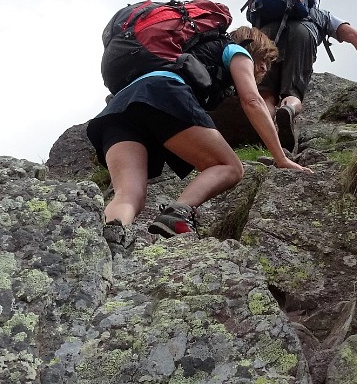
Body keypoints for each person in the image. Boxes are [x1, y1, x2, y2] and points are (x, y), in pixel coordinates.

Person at [87, 25, 310, 251]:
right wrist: (280, 158)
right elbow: (252, 100)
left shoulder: (193, 54)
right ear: (252, 48)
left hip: (121, 106)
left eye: (269, 64)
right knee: (230, 167)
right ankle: (178, 213)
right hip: (163, 93)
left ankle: (104, 248)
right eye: (263, 58)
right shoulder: (237, 50)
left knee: (129, 195)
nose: (264, 67)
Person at [252, 0, 357, 152]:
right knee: (292, 92)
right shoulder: (321, 14)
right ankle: (289, 109)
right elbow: (355, 36)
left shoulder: (269, 13)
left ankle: (267, 136)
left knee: (267, 95)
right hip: (302, 35)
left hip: (267, 35)